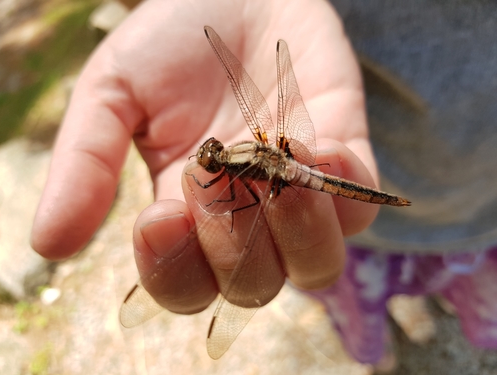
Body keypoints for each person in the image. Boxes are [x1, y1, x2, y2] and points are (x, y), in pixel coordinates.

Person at [31, 0, 497, 369]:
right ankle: (377, 351)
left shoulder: (241, 175)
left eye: (214, 159)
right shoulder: (255, 146)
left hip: (472, 195)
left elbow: (236, 204)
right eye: (213, 161)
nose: (210, 162)